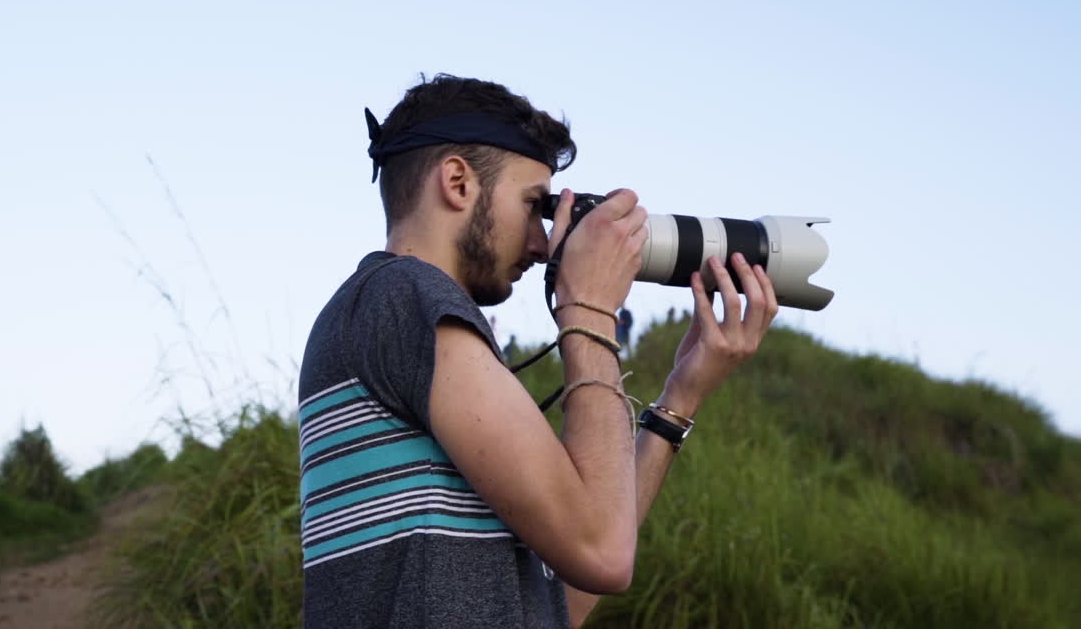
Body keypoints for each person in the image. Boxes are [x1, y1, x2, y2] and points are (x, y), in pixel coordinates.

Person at [297, 75, 778, 629]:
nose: (541, 241)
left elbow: (564, 593)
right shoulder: (405, 297)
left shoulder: (386, 317)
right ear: (457, 181)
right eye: (533, 205)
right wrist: (590, 307)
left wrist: (680, 398)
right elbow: (602, 552)